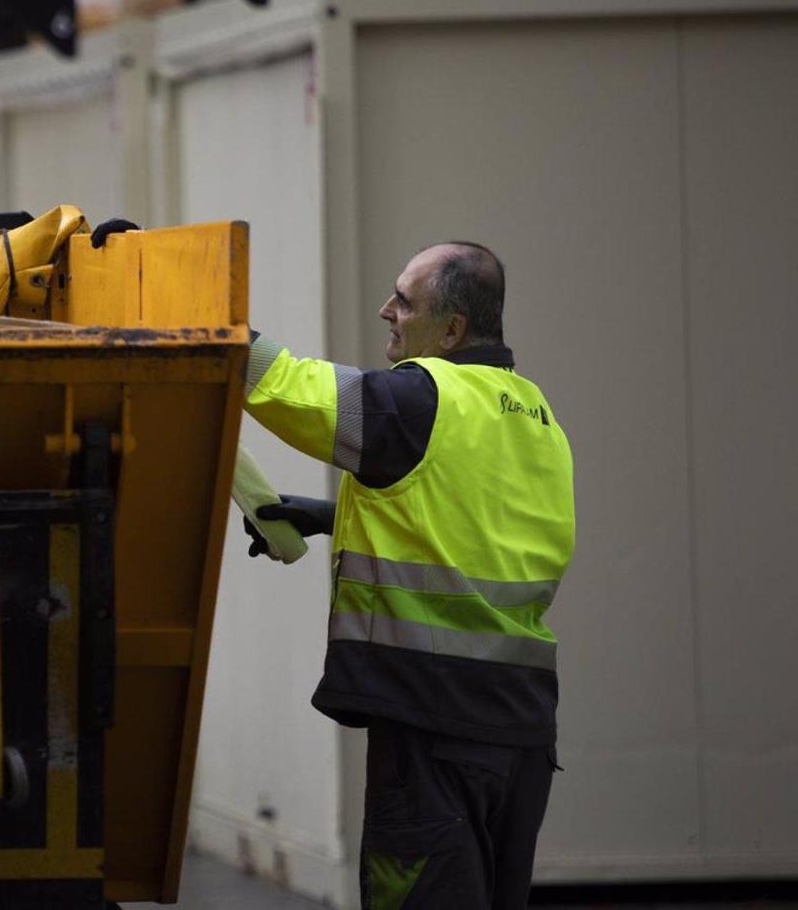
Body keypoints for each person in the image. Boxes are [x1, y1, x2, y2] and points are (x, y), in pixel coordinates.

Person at [240, 241, 574, 910]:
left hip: (433, 732)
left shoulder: (420, 400)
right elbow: (473, 535)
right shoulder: (534, 414)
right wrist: (338, 518)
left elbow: (284, 386)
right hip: (520, 735)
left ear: (450, 330)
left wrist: (200, 316)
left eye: (405, 301)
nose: (385, 310)